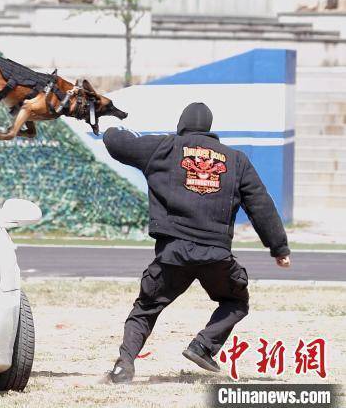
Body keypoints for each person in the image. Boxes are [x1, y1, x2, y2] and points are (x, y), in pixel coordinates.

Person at [102, 102, 291, 383]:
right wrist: (279, 247)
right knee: (236, 303)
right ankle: (202, 346)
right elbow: (261, 204)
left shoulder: (164, 148)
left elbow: (117, 142)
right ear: (209, 128)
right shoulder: (236, 160)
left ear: (182, 125)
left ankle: (124, 367)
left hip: (173, 254)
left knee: (146, 309)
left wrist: (109, 125)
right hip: (215, 254)